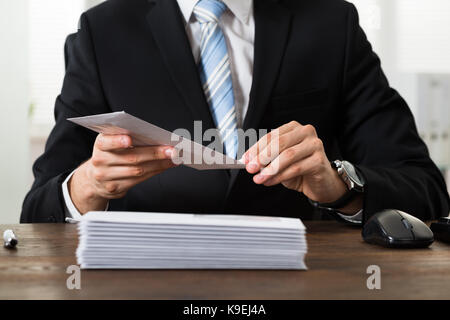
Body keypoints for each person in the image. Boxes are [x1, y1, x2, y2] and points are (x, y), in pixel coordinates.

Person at [21, 0, 449, 224]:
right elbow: (38, 210)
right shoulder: (103, 32)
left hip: (306, 284)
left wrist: (339, 184)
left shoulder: (331, 24)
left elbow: (424, 188)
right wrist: (88, 186)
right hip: (144, 282)